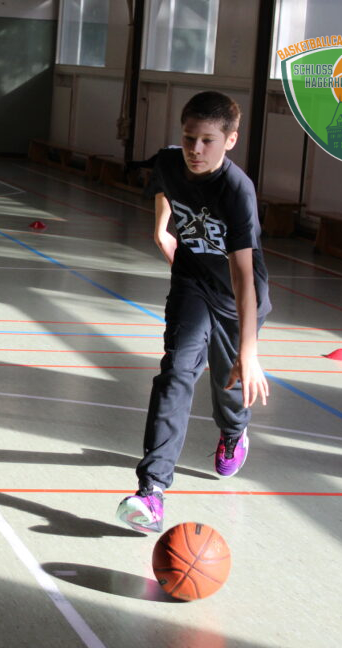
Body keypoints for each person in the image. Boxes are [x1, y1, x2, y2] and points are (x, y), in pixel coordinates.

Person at [116, 91, 272, 533]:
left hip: (237, 298)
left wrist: (249, 353)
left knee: (228, 382)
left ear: (230, 140)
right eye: (189, 138)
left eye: (207, 140)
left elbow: (243, 274)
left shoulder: (237, 191)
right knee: (176, 374)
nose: (195, 149)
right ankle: (151, 490)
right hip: (191, 283)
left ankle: (234, 431)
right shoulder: (171, 159)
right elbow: (163, 181)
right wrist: (161, 228)